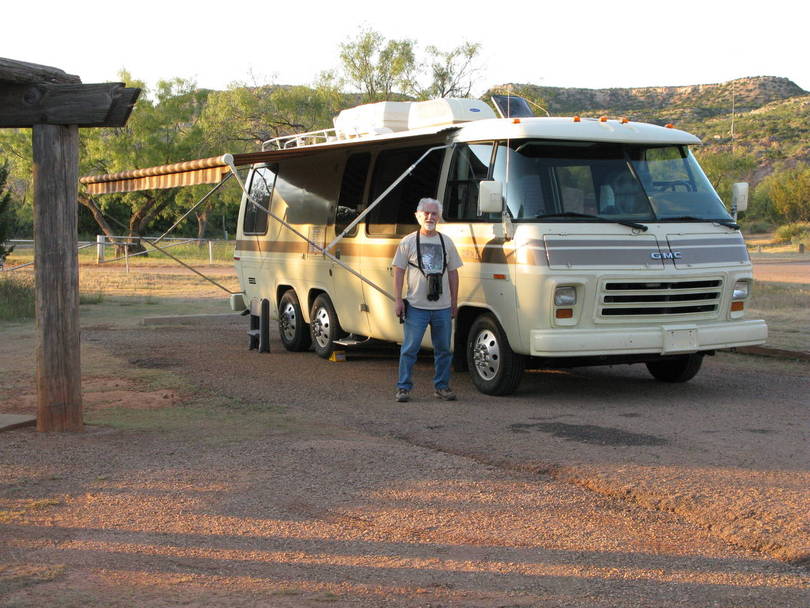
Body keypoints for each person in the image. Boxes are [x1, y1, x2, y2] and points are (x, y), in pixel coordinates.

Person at [392, 197, 463, 403]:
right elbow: (398, 271)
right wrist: (398, 300)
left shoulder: (446, 242)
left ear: (439, 217)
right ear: (418, 215)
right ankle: (403, 387)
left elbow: (453, 273)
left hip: (442, 307)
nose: (430, 217)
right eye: (426, 213)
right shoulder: (408, 242)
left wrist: (454, 303)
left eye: (434, 213)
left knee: (443, 350)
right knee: (410, 349)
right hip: (416, 306)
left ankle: (442, 387)